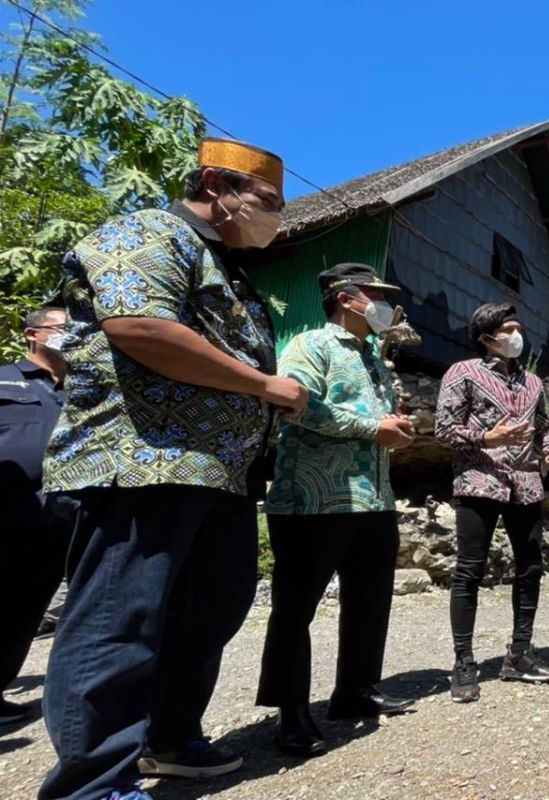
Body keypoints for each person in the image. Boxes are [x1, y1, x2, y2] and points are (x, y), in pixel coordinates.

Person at [38, 138, 307, 800]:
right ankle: (92, 782)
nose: (273, 217)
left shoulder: (227, 267)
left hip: (219, 472)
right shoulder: (147, 232)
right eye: (267, 202)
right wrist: (263, 386)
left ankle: (168, 737)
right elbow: (139, 326)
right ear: (217, 184)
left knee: (215, 607)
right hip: (144, 459)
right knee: (119, 621)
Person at [257, 263, 418, 758]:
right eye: (377, 295)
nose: (386, 306)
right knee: (295, 608)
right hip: (312, 499)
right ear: (348, 299)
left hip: (372, 497)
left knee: (370, 599)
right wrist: (375, 430)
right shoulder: (310, 345)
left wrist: (394, 425)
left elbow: (372, 419)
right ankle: (291, 711)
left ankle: (355, 691)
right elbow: (296, 405)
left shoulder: (371, 356)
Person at [435, 303, 549, 703]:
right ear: (487, 338)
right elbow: (443, 429)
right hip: (479, 481)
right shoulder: (463, 373)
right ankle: (464, 662)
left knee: (530, 567)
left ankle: (520, 652)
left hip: (526, 484)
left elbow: (545, 427)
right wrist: (485, 439)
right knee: (469, 571)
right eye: (508, 329)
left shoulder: (534, 384)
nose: (516, 335)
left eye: (518, 328)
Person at [0, 308, 69, 726]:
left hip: (60, 520)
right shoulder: (5, 378)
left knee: (24, 612)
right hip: (8, 514)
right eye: (64, 330)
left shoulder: (81, 390)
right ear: (33, 334)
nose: (73, 338)